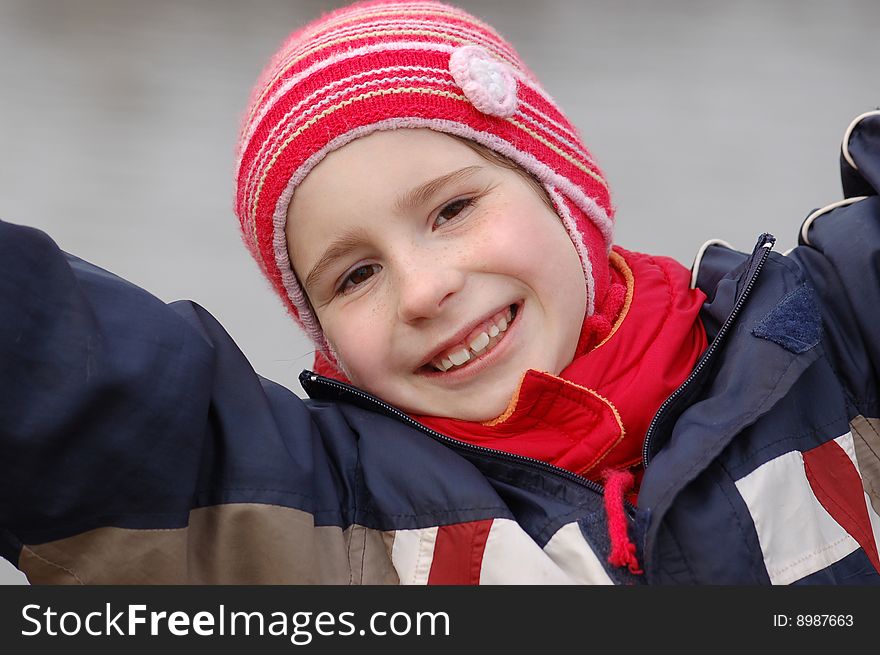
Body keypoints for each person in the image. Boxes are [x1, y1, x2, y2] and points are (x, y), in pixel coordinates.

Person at [1, 0, 878, 585]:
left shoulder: (832, 342)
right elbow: (67, 388)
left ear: (562, 193)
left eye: (453, 208)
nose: (423, 289)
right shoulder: (335, 526)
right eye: (355, 275)